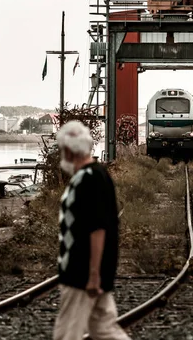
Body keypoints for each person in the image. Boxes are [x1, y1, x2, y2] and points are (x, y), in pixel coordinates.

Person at [53, 121, 130, 340]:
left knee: (66, 334)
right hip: (89, 271)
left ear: (69, 150)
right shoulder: (92, 176)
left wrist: (94, 275)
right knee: (104, 330)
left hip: (82, 272)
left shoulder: (90, 178)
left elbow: (98, 228)